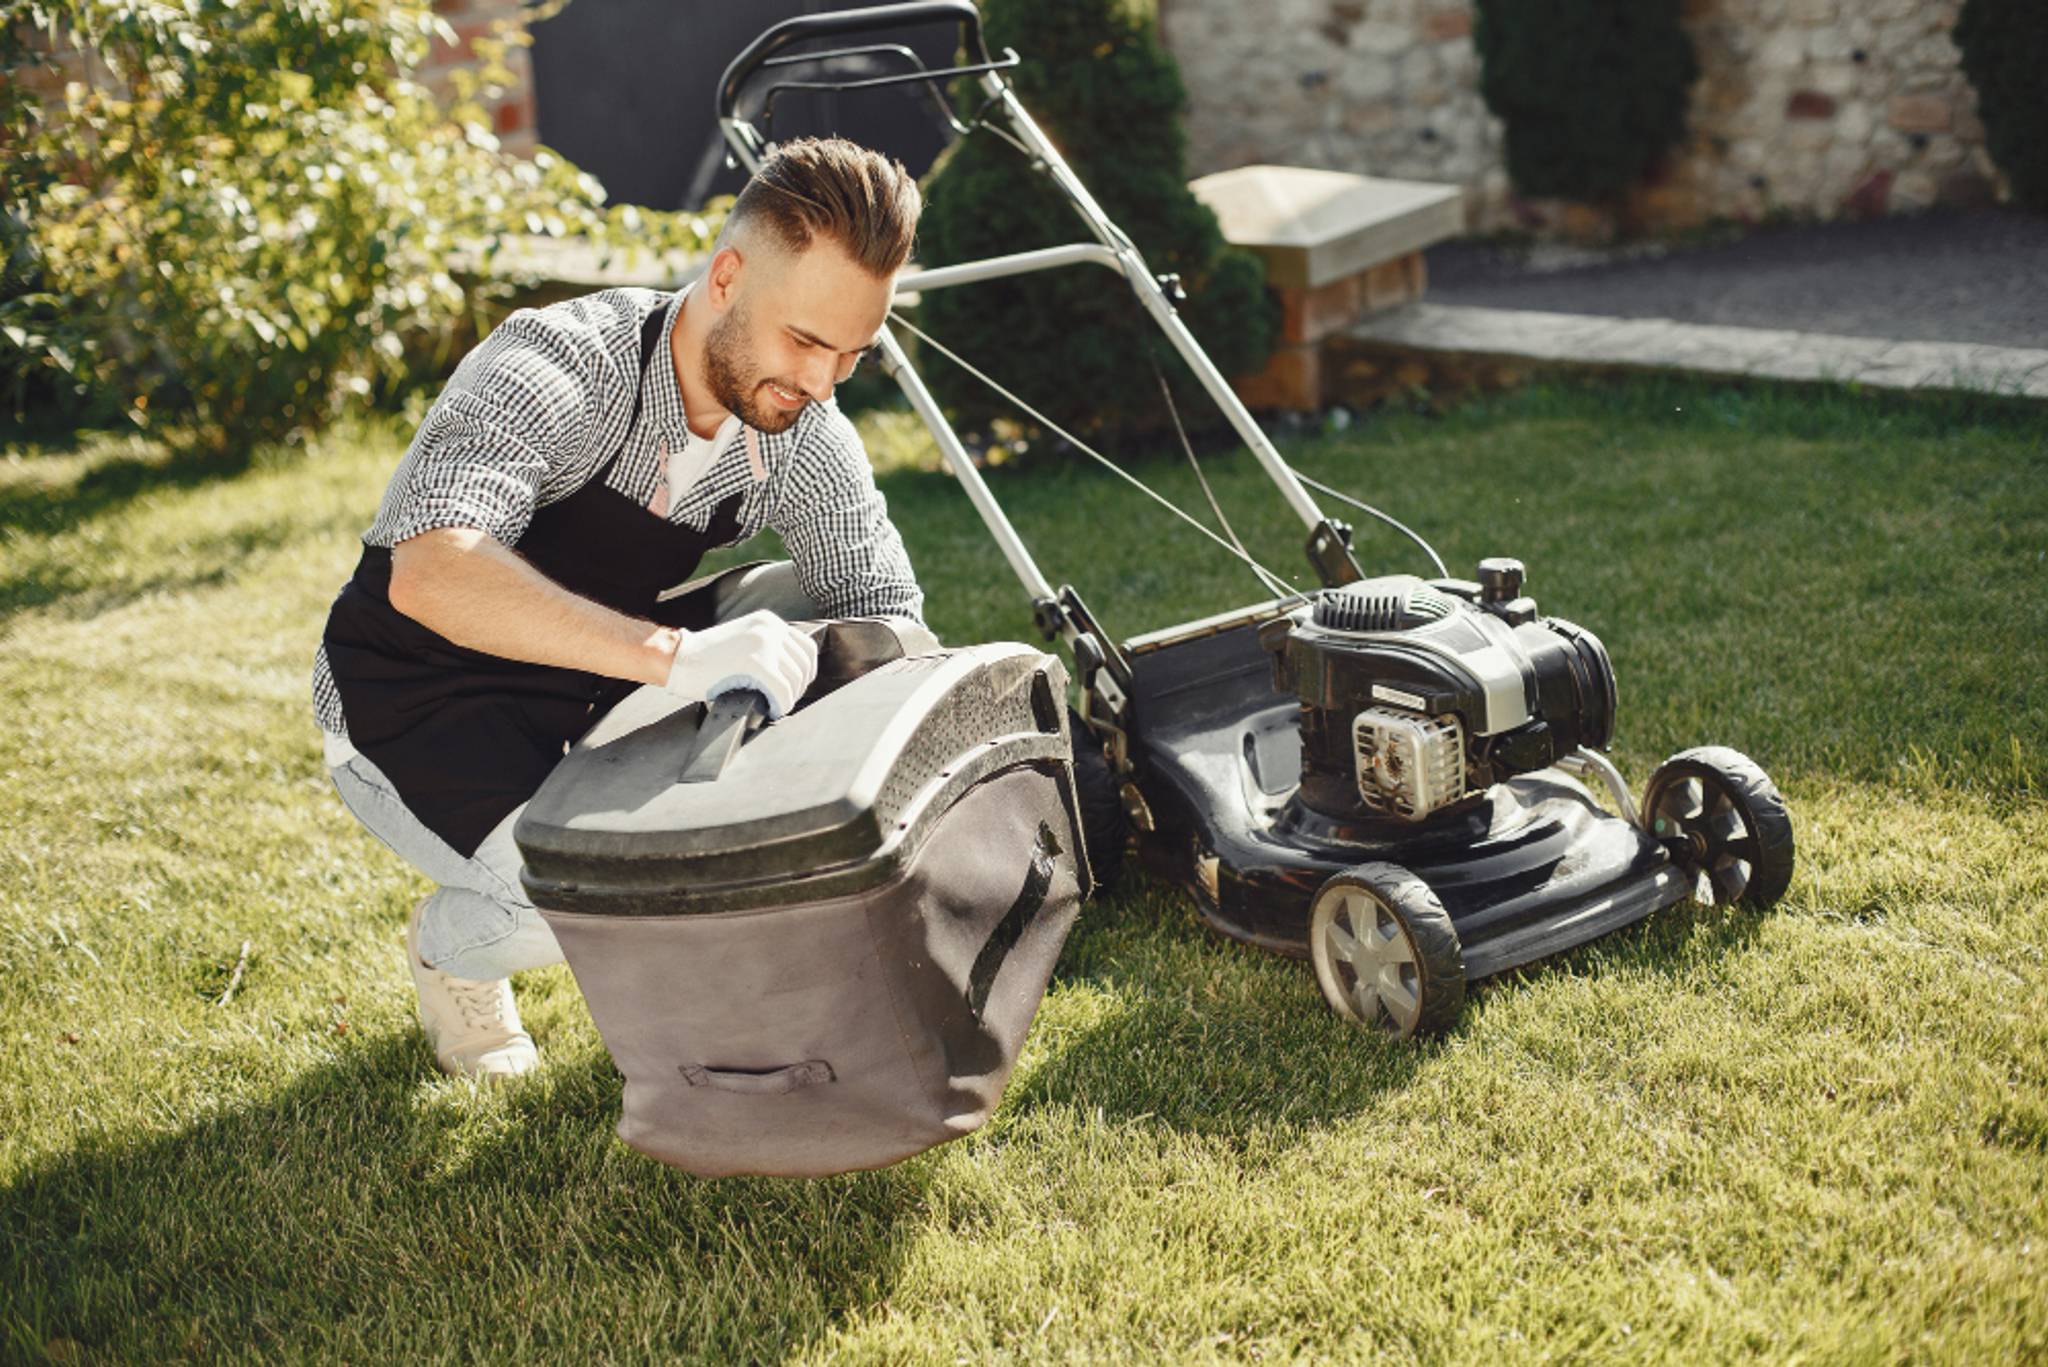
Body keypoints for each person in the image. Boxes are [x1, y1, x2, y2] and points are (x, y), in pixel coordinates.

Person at [313, 137, 926, 1079]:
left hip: (590, 679)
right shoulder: (559, 361)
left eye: (851, 354)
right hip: (411, 703)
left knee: (849, 628)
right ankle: (449, 948)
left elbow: (891, 617)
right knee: (588, 903)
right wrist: (678, 657)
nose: (820, 383)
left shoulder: (804, 431)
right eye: (806, 341)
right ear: (726, 278)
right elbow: (429, 569)